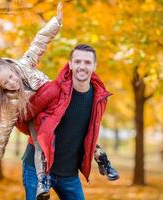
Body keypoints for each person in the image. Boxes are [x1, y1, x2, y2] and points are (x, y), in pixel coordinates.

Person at [0, 4, 119, 200]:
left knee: (85, 132)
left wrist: (56, 23)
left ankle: (102, 158)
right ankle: (42, 179)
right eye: (6, 83)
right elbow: (3, 128)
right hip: (36, 128)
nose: (12, 83)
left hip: (65, 162)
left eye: (12, 77)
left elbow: (38, 43)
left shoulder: (28, 66)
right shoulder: (12, 103)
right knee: (40, 137)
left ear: (14, 69)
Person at [17, 44, 119, 200]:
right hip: (37, 170)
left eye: (87, 62)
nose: (82, 66)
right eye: (77, 62)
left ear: (94, 66)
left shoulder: (99, 99)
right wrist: (40, 136)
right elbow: (23, 116)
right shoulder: (52, 90)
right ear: (70, 64)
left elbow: (87, 132)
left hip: (69, 173)